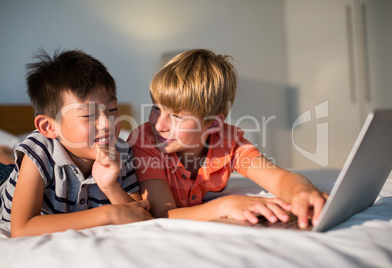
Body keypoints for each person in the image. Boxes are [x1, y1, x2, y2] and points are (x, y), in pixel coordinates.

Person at [128, 49, 328, 229]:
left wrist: (303, 191)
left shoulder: (227, 141)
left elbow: (278, 178)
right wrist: (224, 205)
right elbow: (162, 214)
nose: (159, 125)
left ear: (213, 125)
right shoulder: (145, 141)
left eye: (177, 117)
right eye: (156, 108)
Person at [0, 49, 152, 237]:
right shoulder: (39, 149)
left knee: (9, 164)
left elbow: (139, 216)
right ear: (49, 127)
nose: (107, 123)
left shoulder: (122, 152)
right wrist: (109, 213)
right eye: (88, 115)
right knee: (4, 167)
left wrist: (111, 186)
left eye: (112, 109)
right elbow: (22, 227)